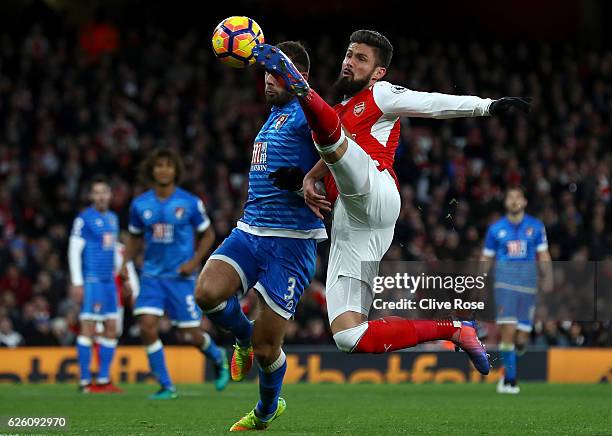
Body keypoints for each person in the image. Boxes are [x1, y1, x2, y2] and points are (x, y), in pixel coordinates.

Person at [253, 30, 531, 373]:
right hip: (352, 222)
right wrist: (305, 183)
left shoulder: (379, 94)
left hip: (377, 188)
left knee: (331, 133)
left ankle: (300, 87)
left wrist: (486, 106)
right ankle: (456, 330)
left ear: (378, 72)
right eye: (349, 55)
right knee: (348, 336)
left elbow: (430, 103)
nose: (349, 62)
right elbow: (336, 159)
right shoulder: (337, 111)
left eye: (361, 58)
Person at [194, 41, 326, 431]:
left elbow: (340, 148)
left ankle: (267, 410)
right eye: (266, 74)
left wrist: (311, 179)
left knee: (270, 351)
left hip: (291, 242)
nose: (268, 81)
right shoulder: (273, 116)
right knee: (206, 293)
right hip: (249, 231)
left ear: (296, 77)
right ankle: (242, 337)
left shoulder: (306, 113)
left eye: (277, 74)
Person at [120, 148, 229, 399]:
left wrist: (193, 262)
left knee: (190, 335)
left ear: (175, 170)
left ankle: (217, 356)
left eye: (168, 165)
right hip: (151, 277)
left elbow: (209, 234)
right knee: (147, 326)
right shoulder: (140, 205)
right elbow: (135, 239)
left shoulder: (189, 203)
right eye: (159, 165)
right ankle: (166, 385)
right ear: (152, 170)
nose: (163, 170)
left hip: (181, 279)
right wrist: (124, 263)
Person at [481, 187, 552, 394]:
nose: (514, 201)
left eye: (517, 197)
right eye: (510, 197)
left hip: (528, 286)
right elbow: (486, 257)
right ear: (506, 202)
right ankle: (510, 380)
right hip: (504, 285)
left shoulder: (536, 227)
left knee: (521, 338)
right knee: (508, 331)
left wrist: (547, 276)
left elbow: (544, 254)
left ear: (524, 201)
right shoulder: (496, 229)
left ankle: (514, 357)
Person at [68, 175, 129, 393]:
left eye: (105, 192)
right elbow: (74, 250)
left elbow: (112, 249)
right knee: (89, 327)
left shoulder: (113, 218)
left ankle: (103, 380)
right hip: (92, 280)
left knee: (111, 327)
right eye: (97, 192)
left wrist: (122, 274)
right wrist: (77, 282)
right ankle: (85, 381)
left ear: (110, 196)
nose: (101, 196)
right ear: (91, 196)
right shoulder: (84, 219)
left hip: (108, 282)